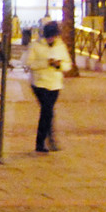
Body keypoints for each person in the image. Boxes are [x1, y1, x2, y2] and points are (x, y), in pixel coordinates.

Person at [29, 21, 70, 152]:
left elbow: (68, 64)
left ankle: (48, 139)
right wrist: (46, 63)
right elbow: (29, 63)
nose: (51, 38)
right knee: (47, 110)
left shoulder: (61, 46)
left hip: (55, 83)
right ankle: (41, 142)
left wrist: (59, 65)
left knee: (48, 111)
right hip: (39, 83)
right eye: (49, 36)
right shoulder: (36, 46)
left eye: (53, 36)